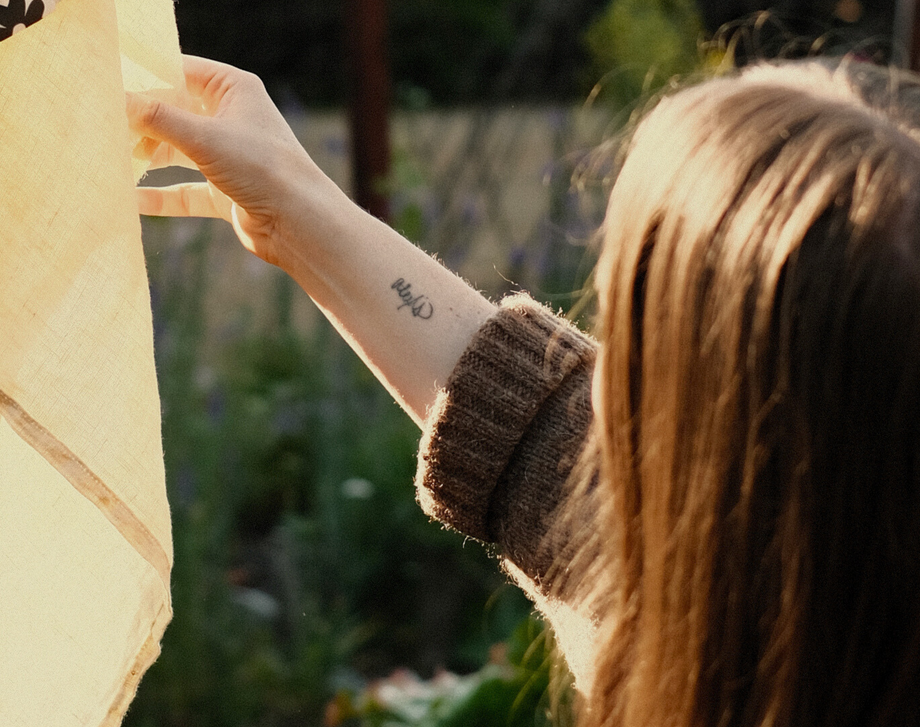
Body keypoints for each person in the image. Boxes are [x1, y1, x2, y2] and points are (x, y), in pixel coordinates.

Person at [126, 54, 920, 727]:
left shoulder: (702, 619)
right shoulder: (804, 564)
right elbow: (538, 435)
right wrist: (291, 210)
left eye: (636, 341)